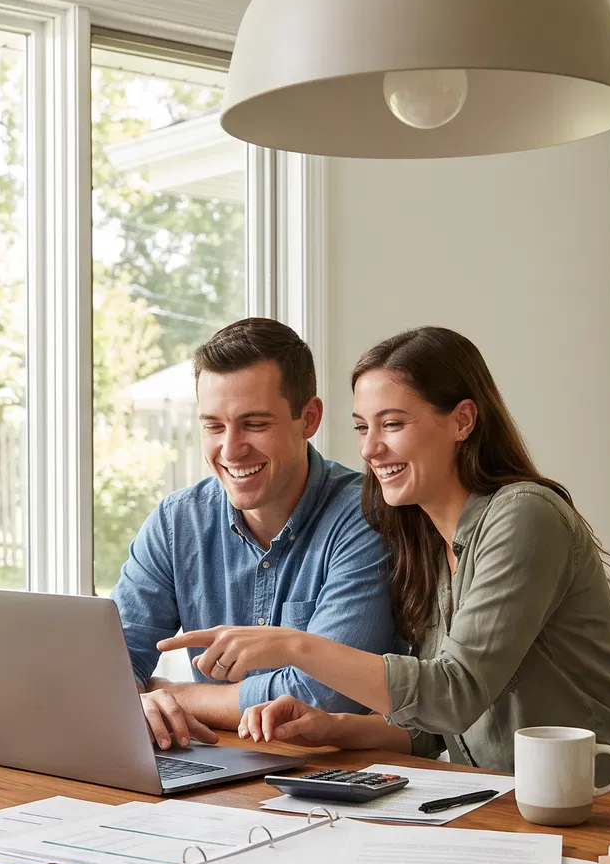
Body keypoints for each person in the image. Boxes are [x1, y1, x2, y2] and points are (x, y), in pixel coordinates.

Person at [159, 326, 610, 802]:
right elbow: (442, 730)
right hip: (511, 805)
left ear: (462, 420)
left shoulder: (524, 517)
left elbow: (454, 694)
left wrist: (292, 645)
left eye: (392, 424)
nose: (370, 448)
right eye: (362, 427)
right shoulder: (423, 538)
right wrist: (337, 727)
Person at [113, 317, 400, 751]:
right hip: (218, 773)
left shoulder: (367, 516)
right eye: (213, 426)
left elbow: (319, 695)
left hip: (338, 783)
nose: (230, 449)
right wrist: (138, 697)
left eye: (254, 423)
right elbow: (109, 670)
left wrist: (171, 694)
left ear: (309, 418)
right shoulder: (177, 521)